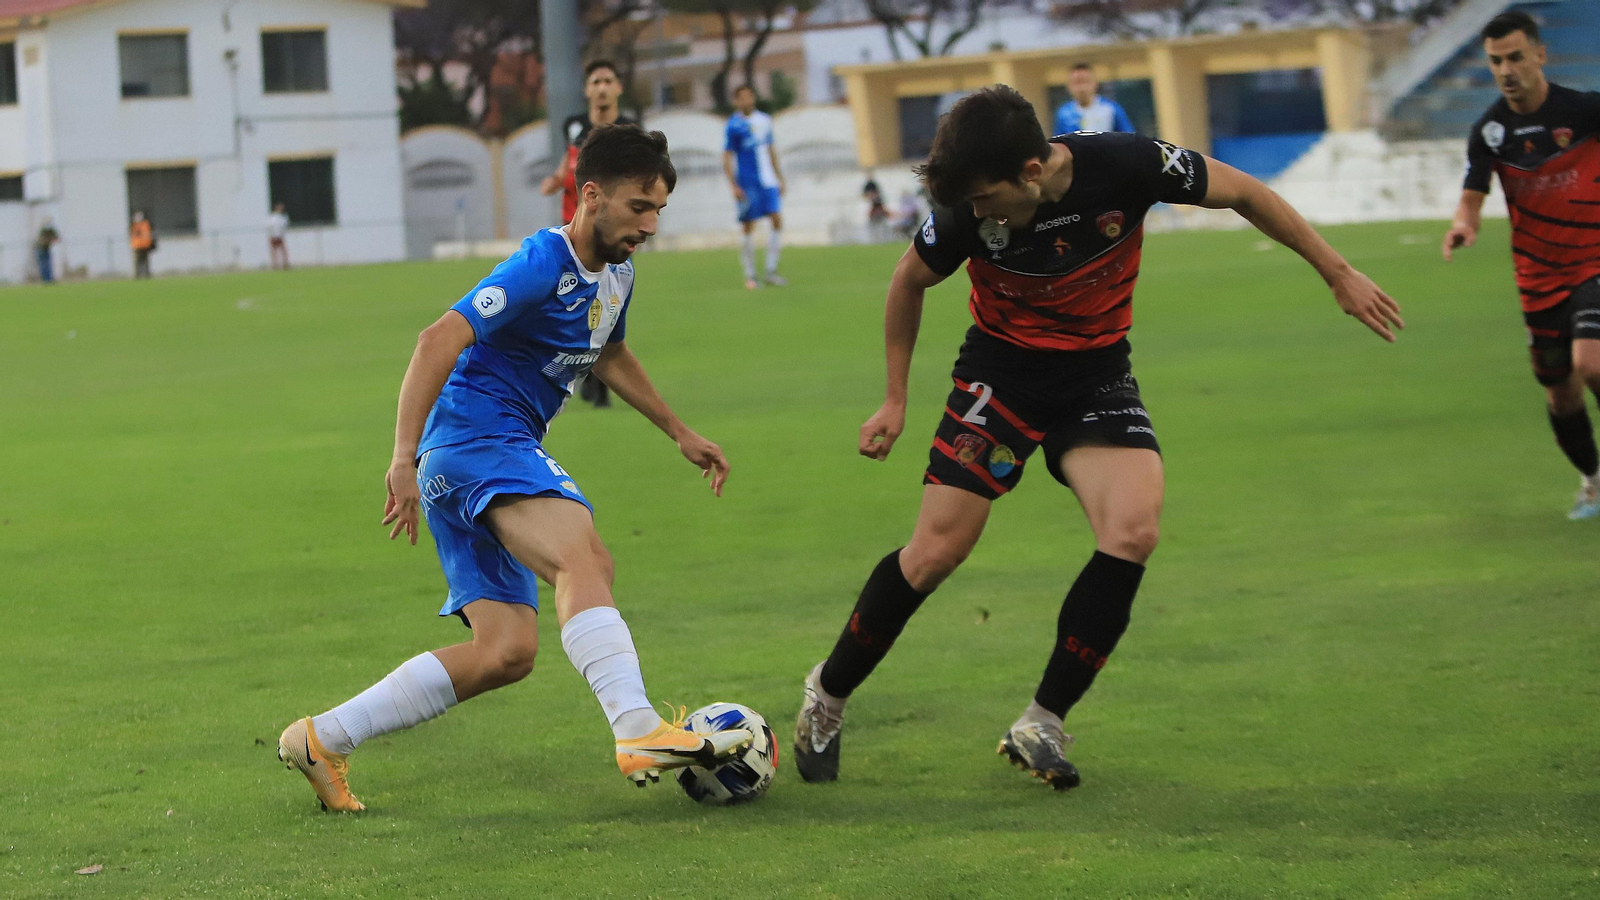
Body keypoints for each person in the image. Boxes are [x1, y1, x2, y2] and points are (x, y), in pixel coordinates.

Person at [791, 85, 1403, 791]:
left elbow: (1244, 192)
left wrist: (1337, 272)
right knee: (934, 554)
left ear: (1030, 172)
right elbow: (907, 282)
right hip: (1003, 377)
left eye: (987, 197)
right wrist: (895, 399)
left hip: (1096, 377)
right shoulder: (965, 212)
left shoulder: (1129, 164)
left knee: (1133, 530)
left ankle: (1042, 721)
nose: (978, 213)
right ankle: (826, 697)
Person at [277, 125, 753, 812]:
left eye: (659, 211)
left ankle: (321, 739)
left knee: (506, 651)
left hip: (477, 455)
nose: (650, 225)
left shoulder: (618, 274)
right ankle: (636, 727)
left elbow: (609, 354)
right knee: (582, 556)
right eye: (639, 208)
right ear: (592, 196)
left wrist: (678, 430)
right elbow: (437, 337)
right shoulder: (542, 261)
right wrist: (401, 459)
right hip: (476, 439)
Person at [1442, 11, 1600, 520]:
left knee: (1590, 362)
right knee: (1560, 393)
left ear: (1539, 55)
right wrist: (1464, 223)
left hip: (1593, 259)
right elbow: (1472, 195)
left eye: (1514, 57)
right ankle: (1593, 482)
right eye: (1495, 61)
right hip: (1537, 277)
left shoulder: (1585, 111)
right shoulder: (1489, 131)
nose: (1506, 69)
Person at [541, 60, 635, 408]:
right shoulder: (575, 126)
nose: (602, 87)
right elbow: (569, 164)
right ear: (587, 89)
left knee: (605, 309)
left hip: (612, 234)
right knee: (576, 308)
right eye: (595, 81)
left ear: (618, 88)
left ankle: (594, 380)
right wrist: (554, 180)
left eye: (608, 80)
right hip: (574, 233)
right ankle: (585, 376)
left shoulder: (629, 130)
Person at [724, 84, 786, 289]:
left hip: (767, 181)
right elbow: (727, 157)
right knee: (748, 227)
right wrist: (733, 185)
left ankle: (770, 271)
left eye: (749, 97)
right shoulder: (734, 125)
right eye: (741, 98)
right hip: (747, 182)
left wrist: (780, 178)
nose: (746, 101)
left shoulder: (765, 121)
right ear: (736, 101)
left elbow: (771, 151)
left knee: (777, 220)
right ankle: (750, 275)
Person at [1053, 63, 1135, 136]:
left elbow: (1129, 138)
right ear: (1069, 86)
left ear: (1095, 83)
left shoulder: (1111, 109)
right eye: (1077, 83)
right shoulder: (1064, 114)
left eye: (1085, 81)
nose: (1082, 88)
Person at [129, 211, 154, 279]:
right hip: (137, 246)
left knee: (145, 262)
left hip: (144, 246)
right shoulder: (135, 226)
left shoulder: (145, 225)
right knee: (137, 262)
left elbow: (148, 235)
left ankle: (146, 275)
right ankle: (137, 275)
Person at [35, 220, 60, 284]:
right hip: (40, 249)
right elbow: (41, 241)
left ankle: (49, 279)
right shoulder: (43, 230)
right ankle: (45, 280)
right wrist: (48, 241)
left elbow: (57, 238)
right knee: (43, 265)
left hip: (47, 249)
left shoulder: (51, 230)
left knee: (49, 264)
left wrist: (52, 240)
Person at [267, 202, 290, 270]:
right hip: (274, 236)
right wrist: (271, 235)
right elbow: (269, 227)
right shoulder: (272, 218)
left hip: (280, 236)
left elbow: (285, 226)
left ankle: (285, 264)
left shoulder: (283, 217)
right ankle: (275, 265)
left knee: (283, 250)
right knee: (274, 251)